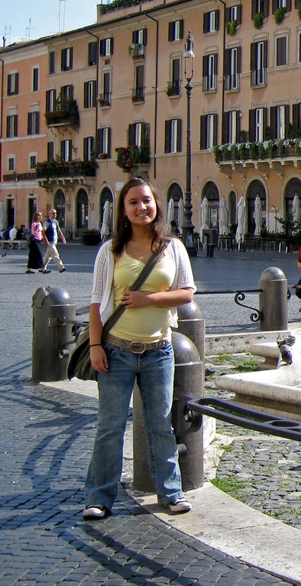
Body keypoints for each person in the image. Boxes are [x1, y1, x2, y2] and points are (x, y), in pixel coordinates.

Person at [83, 178, 196, 520]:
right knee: (110, 425)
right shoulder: (110, 251)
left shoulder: (173, 247)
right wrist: (95, 346)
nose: (141, 207)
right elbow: (95, 303)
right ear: (124, 209)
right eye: (133, 202)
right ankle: (99, 498)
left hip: (159, 350)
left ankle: (170, 492)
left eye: (146, 200)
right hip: (116, 350)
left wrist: (149, 298)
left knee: (160, 423)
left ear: (156, 204)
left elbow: (187, 293)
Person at [42, 208, 67, 273]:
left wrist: (63, 238)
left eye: (55, 213)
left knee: (48, 256)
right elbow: (43, 232)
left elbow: (59, 230)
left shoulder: (56, 222)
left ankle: (42, 267)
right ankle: (61, 267)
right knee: (55, 254)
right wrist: (46, 241)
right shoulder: (47, 222)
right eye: (53, 213)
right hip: (50, 241)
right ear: (49, 214)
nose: (55, 214)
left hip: (55, 240)